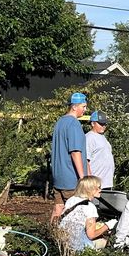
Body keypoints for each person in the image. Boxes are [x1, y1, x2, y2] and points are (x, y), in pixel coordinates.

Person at [50, 92, 89, 222]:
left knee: (58, 208)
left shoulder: (60, 122)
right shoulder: (73, 124)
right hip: (71, 179)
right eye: (83, 106)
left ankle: (50, 237)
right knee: (74, 213)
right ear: (74, 107)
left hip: (58, 177)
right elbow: (75, 152)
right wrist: (83, 178)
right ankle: (69, 242)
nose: (85, 109)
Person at [58, 176, 112, 251]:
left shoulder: (71, 199)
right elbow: (91, 235)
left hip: (61, 241)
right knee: (105, 241)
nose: (100, 190)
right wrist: (107, 226)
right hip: (77, 246)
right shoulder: (90, 207)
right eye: (98, 187)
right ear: (90, 189)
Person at [85, 109, 117, 206]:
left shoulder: (103, 137)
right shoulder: (89, 137)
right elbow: (86, 160)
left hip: (106, 182)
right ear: (93, 123)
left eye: (105, 124)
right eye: (101, 124)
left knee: (102, 210)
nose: (103, 126)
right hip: (96, 182)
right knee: (93, 208)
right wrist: (90, 180)